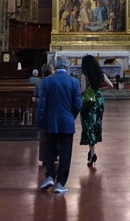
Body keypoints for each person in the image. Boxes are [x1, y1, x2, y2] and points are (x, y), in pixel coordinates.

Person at [36, 60, 81, 194]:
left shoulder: (48, 81)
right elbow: (77, 104)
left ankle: (49, 175)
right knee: (65, 153)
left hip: (51, 120)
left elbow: (42, 104)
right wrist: (70, 116)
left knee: (50, 149)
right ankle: (61, 182)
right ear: (67, 67)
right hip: (67, 121)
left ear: (55, 68)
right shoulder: (74, 82)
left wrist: (41, 122)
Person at [79, 54, 112, 166]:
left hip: (89, 101)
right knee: (96, 124)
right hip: (99, 100)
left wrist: (78, 94)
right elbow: (111, 85)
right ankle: (91, 151)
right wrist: (100, 90)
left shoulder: (84, 75)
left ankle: (92, 153)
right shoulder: (100, 73)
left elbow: (83, 90)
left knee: (89, 126)